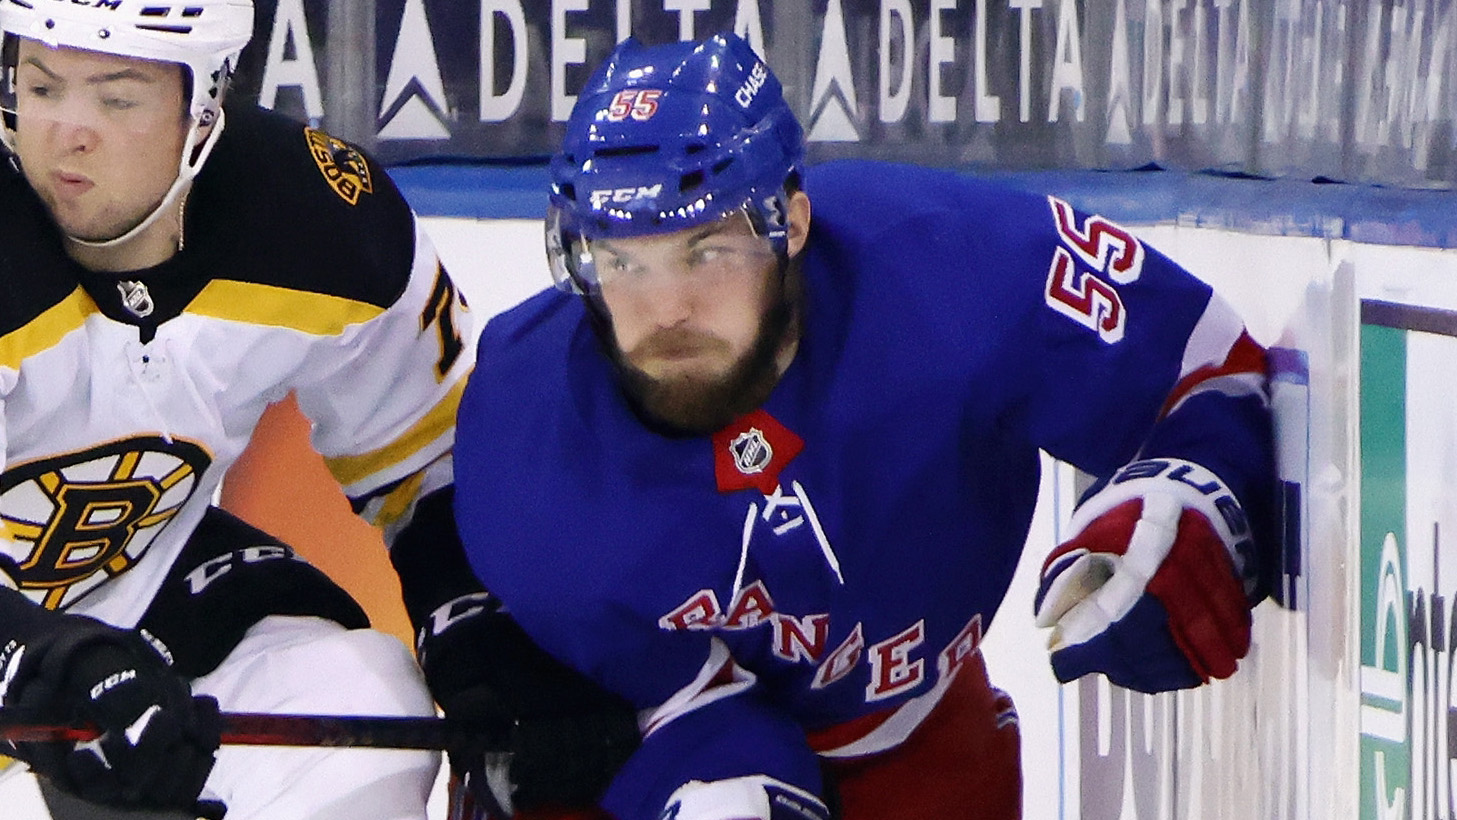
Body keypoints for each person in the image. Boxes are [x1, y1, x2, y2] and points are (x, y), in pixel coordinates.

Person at [449, 32, 1278, 820]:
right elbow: (668, 699)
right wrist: (707, 778)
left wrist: (1188, 500)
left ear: (791, 221)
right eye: (622, 261)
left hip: (913, 735)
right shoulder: (520, 437)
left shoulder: (953, 264)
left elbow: (1202, 366)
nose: (666, 311)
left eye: (706, 251)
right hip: (635, 762)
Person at [0, 1, 623, 817]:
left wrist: (478, 631)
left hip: (129, 589)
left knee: (355, 704)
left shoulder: (319, 221)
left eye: (117, 97)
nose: (65, 134)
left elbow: (428, 458)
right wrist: (40, 663)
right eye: (41, 87)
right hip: (40, 643)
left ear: (207, 102)